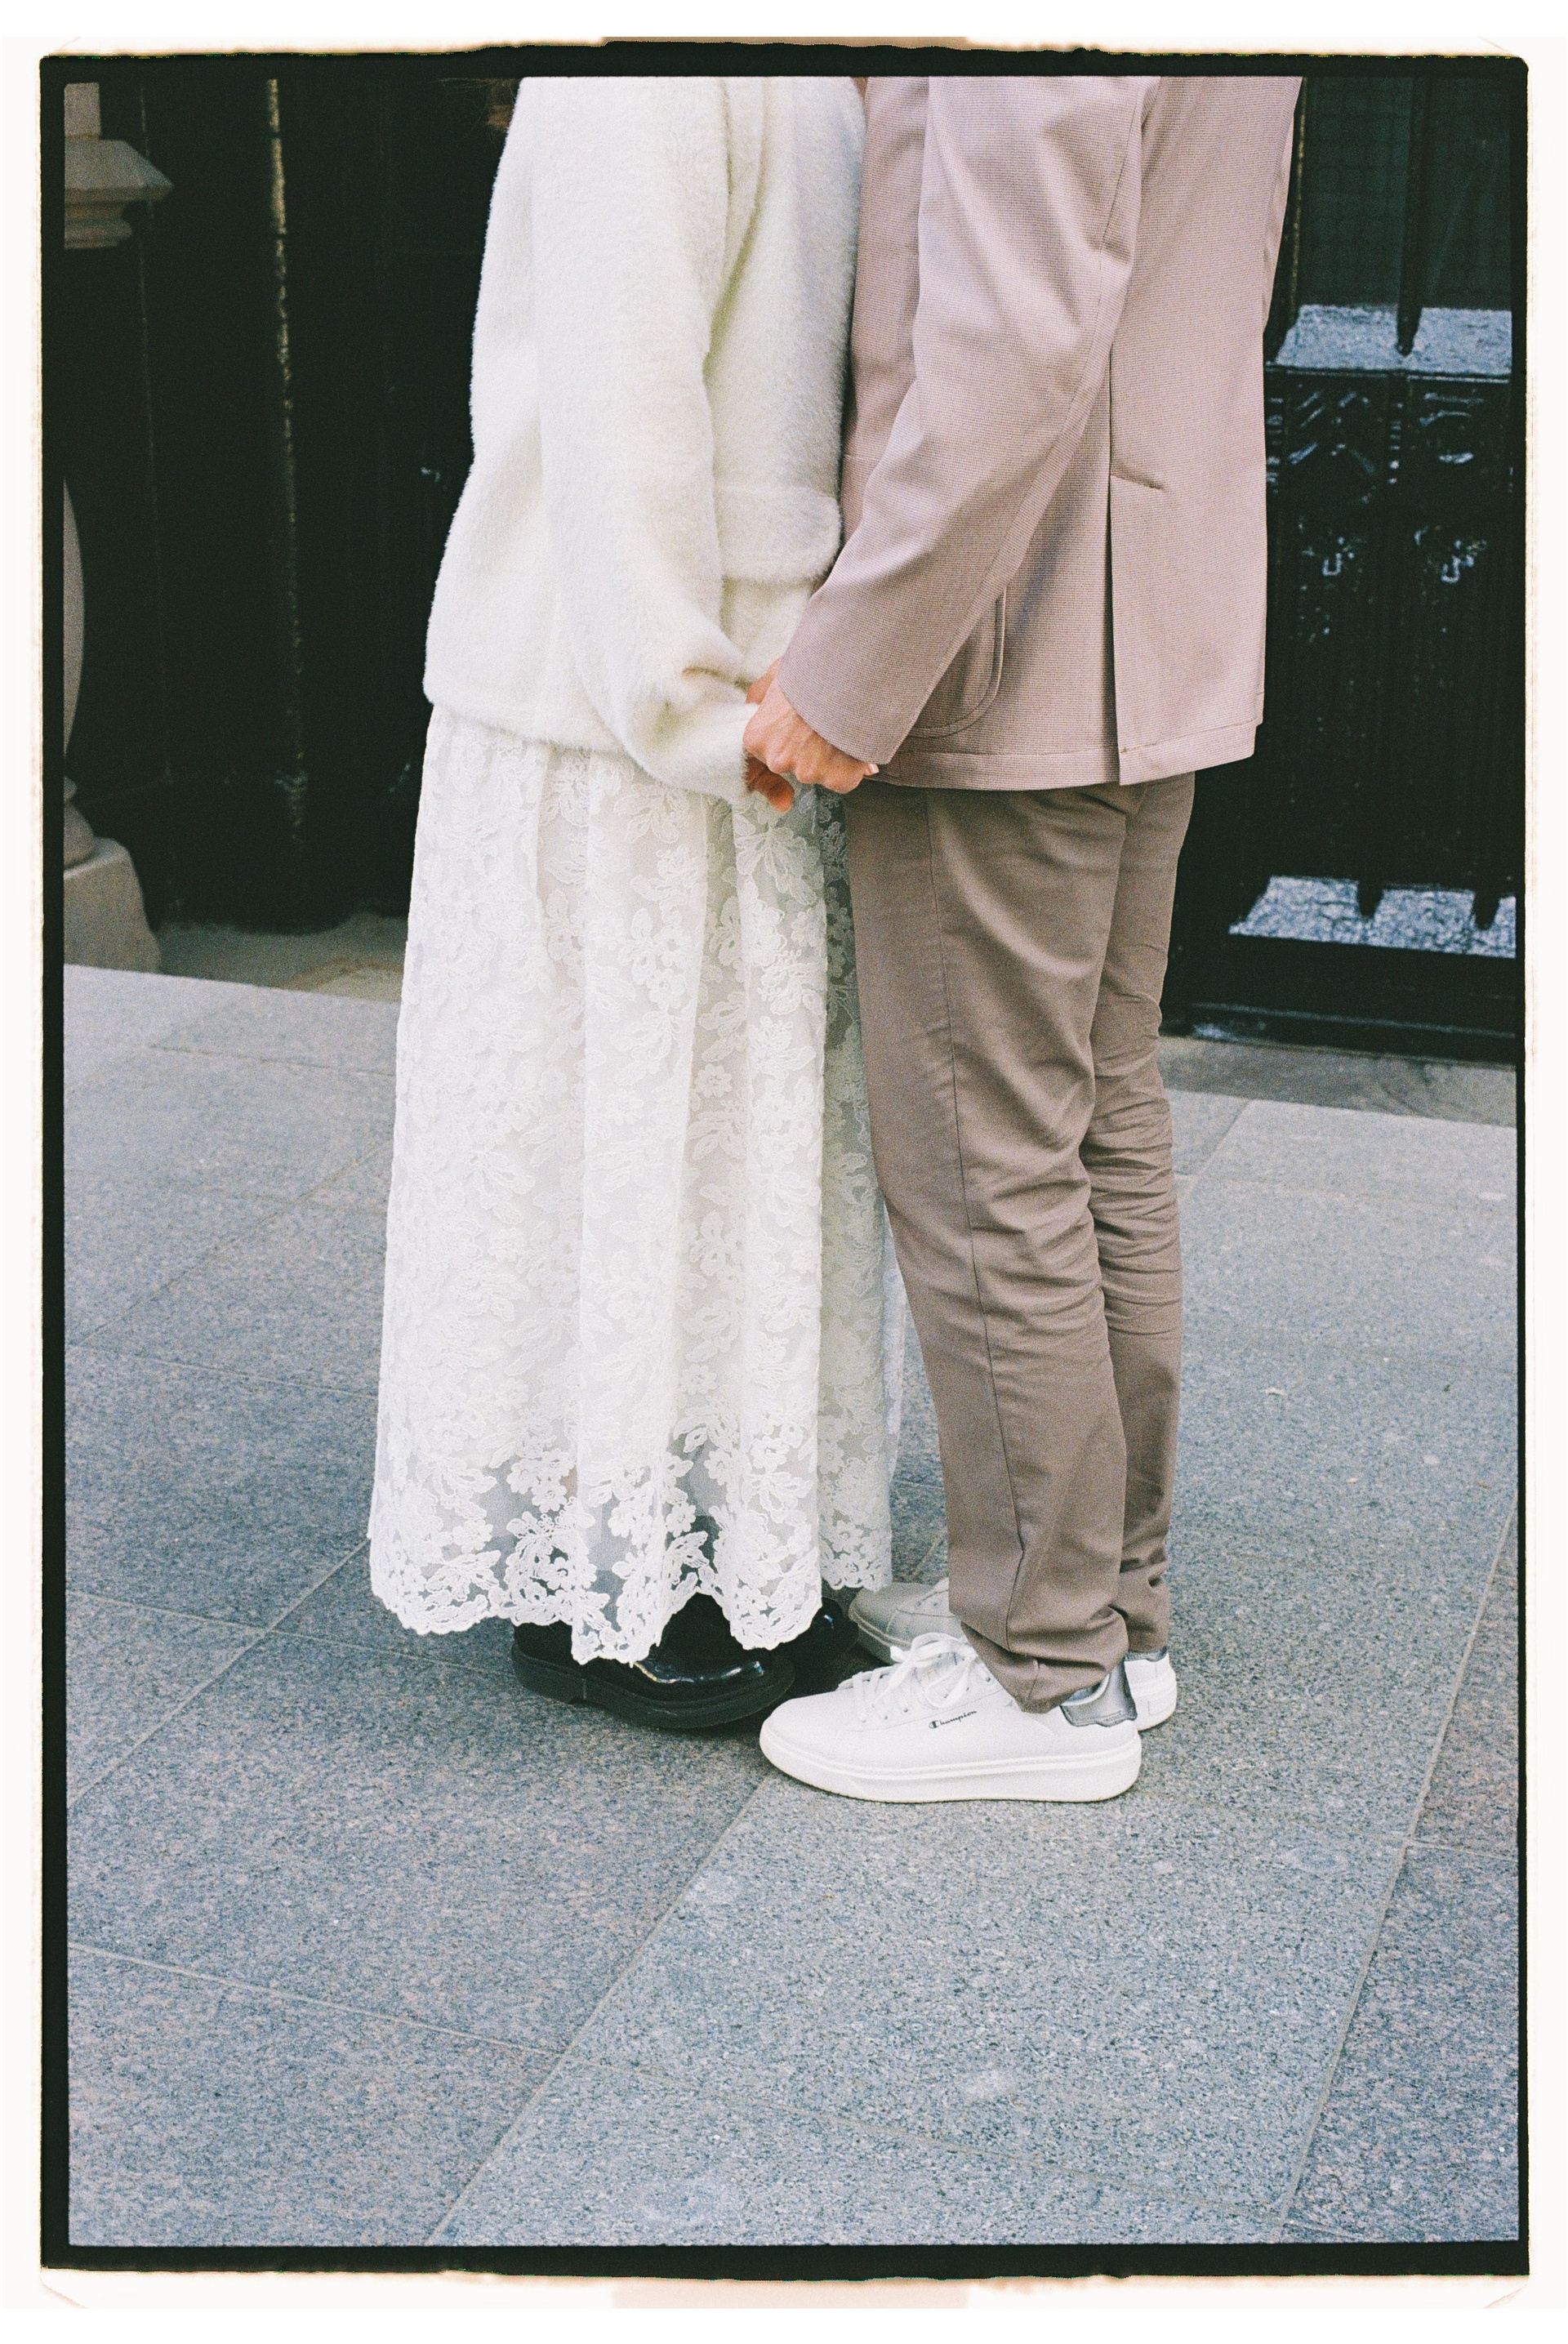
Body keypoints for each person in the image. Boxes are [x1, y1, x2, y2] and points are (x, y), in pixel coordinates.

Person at [745, 73, 1302, 1803]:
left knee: (989, 1157)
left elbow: (1009, 341)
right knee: (1092, 1122)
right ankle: (1106, 1621)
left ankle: (1038, 1674)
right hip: (1144, 611)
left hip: (1014, 634)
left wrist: (854, 662)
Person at [368, 74, 899, 1731]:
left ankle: (727, 1545)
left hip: (742, 690)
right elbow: (620, 410)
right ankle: (606, 1584)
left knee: (723, 1154)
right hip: (619, 710)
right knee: (609, 1145)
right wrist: (685, 705)